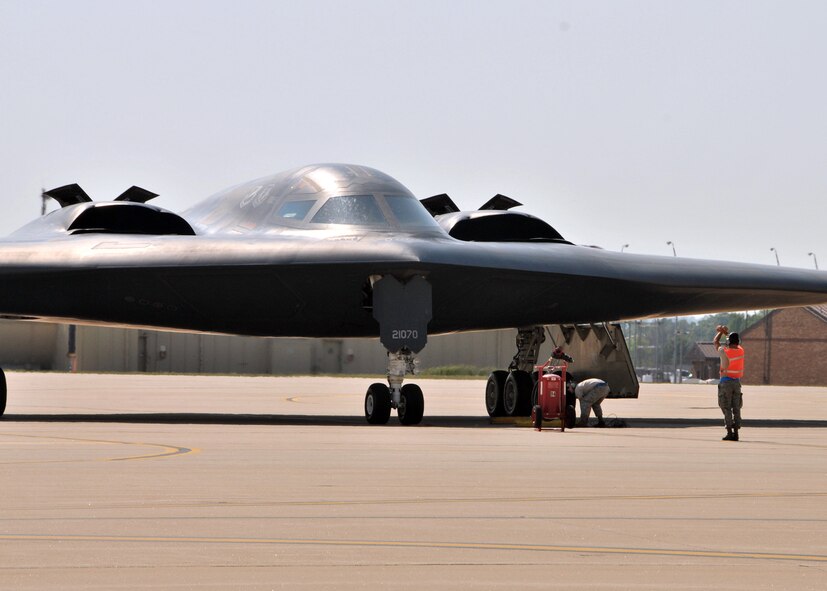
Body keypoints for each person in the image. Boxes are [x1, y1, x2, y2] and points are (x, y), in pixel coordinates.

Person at [714, 325, 745, 441]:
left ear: (728, 341)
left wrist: (721, 332)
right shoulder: (741, 351)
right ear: (738, 341)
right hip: (737, 383)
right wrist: (727, 333)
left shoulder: (724, 351)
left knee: (726, 407)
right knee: (736, 407)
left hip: (725, 382)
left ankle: (729, 432)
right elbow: (733, 342)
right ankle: (736, 432)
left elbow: (716, 341)